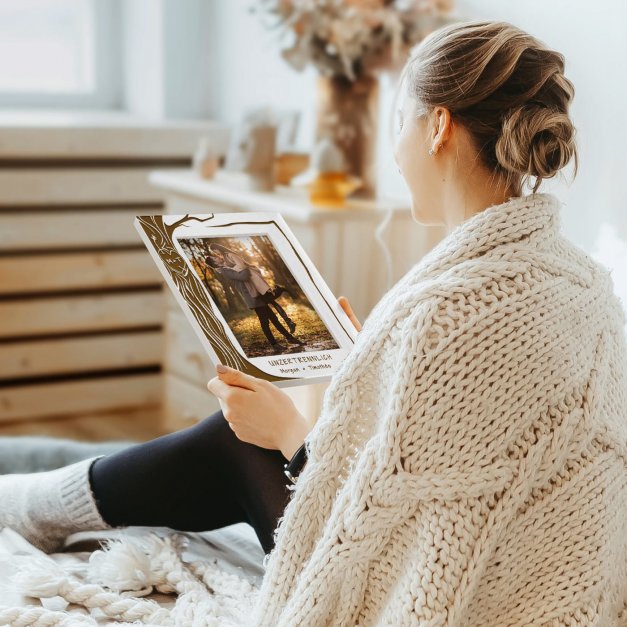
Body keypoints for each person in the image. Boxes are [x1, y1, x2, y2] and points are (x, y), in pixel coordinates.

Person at [1, 19, 626, 626]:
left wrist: (289, 433)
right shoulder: (588, 286)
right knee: (240, 436)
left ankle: (29, 505)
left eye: (400, 124)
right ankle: (38, 501)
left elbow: (392, 536)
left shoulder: (444, 311)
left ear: (437, 126)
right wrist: (364, 366)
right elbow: (457, 449)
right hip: (552, 584)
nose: (396, 152)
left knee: (235, 441)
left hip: (456, 599)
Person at [204, 250, 303, 351]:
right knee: (265, 322)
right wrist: (243, 266)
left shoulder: (226, 267)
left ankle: (289, 339)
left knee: (273, 318)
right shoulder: (224, 270)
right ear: (214, 262)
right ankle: (276, 344)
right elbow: (243, 276)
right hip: (252, 297)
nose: (217, 257)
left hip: (255, 294)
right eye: (214, 258)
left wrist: (240, 265)